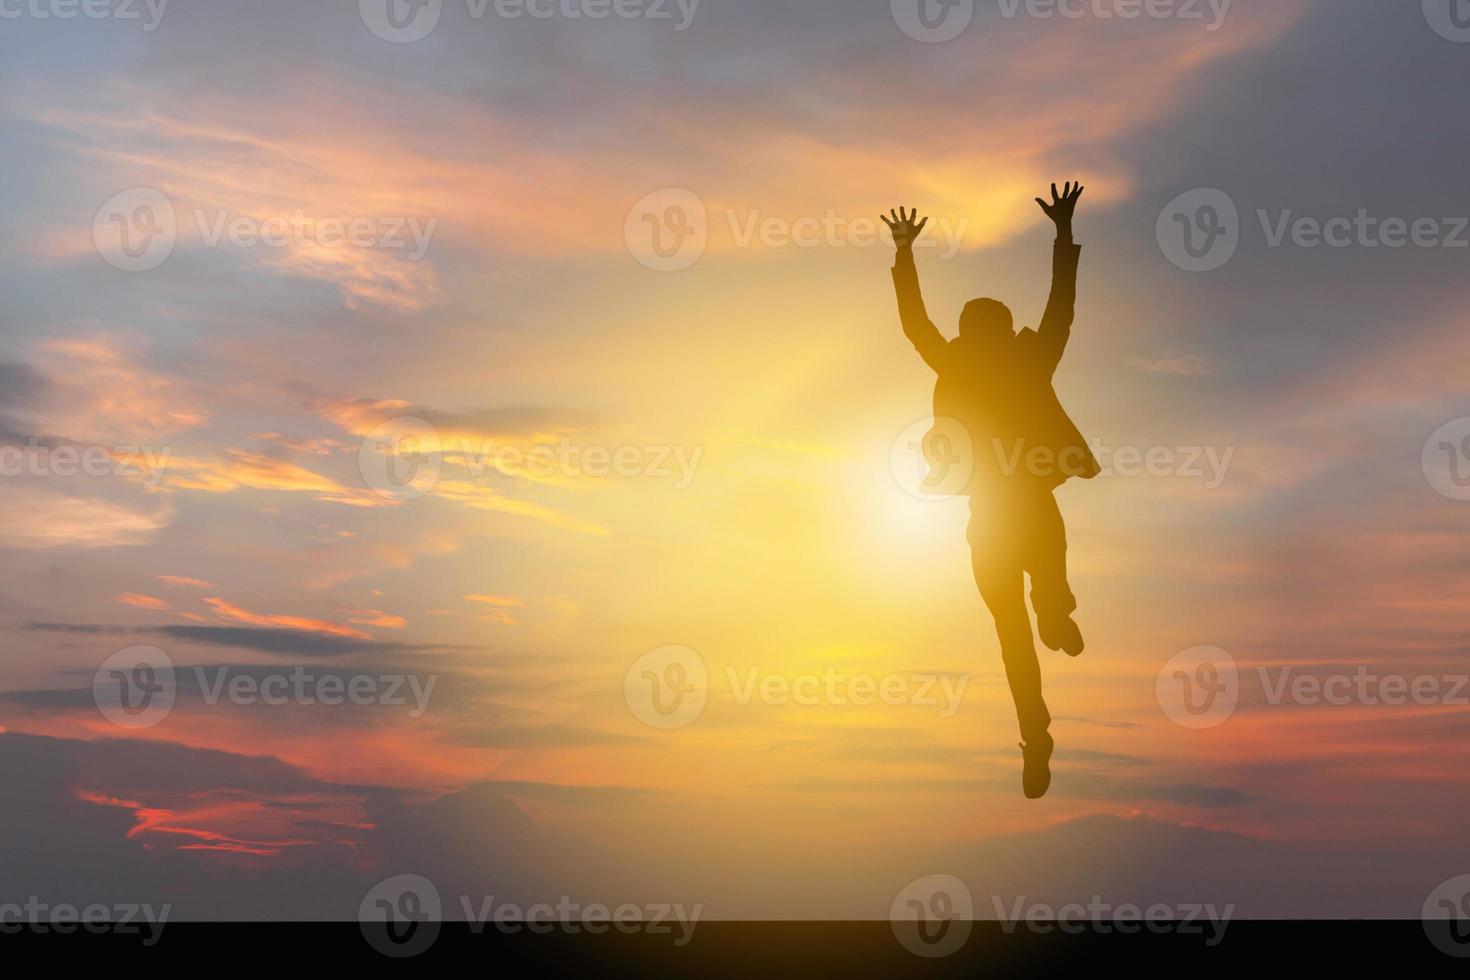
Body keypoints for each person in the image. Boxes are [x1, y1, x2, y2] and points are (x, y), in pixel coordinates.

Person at [883, 183, 1099, 799]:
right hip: (1002, 512)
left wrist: (906, 253)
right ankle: (1037, 733)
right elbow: (1059, 308)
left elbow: (918, 324)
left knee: (1025, 618)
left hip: (1013, 508)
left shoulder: (1012, 360)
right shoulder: (1012, 359)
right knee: (1014, 626)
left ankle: (1055, 622)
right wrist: (1059, 235)